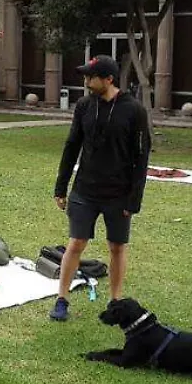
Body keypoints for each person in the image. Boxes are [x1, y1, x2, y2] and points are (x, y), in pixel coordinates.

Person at [51, 55, 151, 322]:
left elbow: (142, 157)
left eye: (90, 77)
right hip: (85, 190)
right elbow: (72, 146)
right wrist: (60, 187)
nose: (86, 81)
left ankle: (115, 301)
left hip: (119, 194)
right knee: (76, 243)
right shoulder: (84, 106)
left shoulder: (134, 110)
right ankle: (61, 299)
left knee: (117, 247)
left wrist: (134, 199)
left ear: (108, 79)